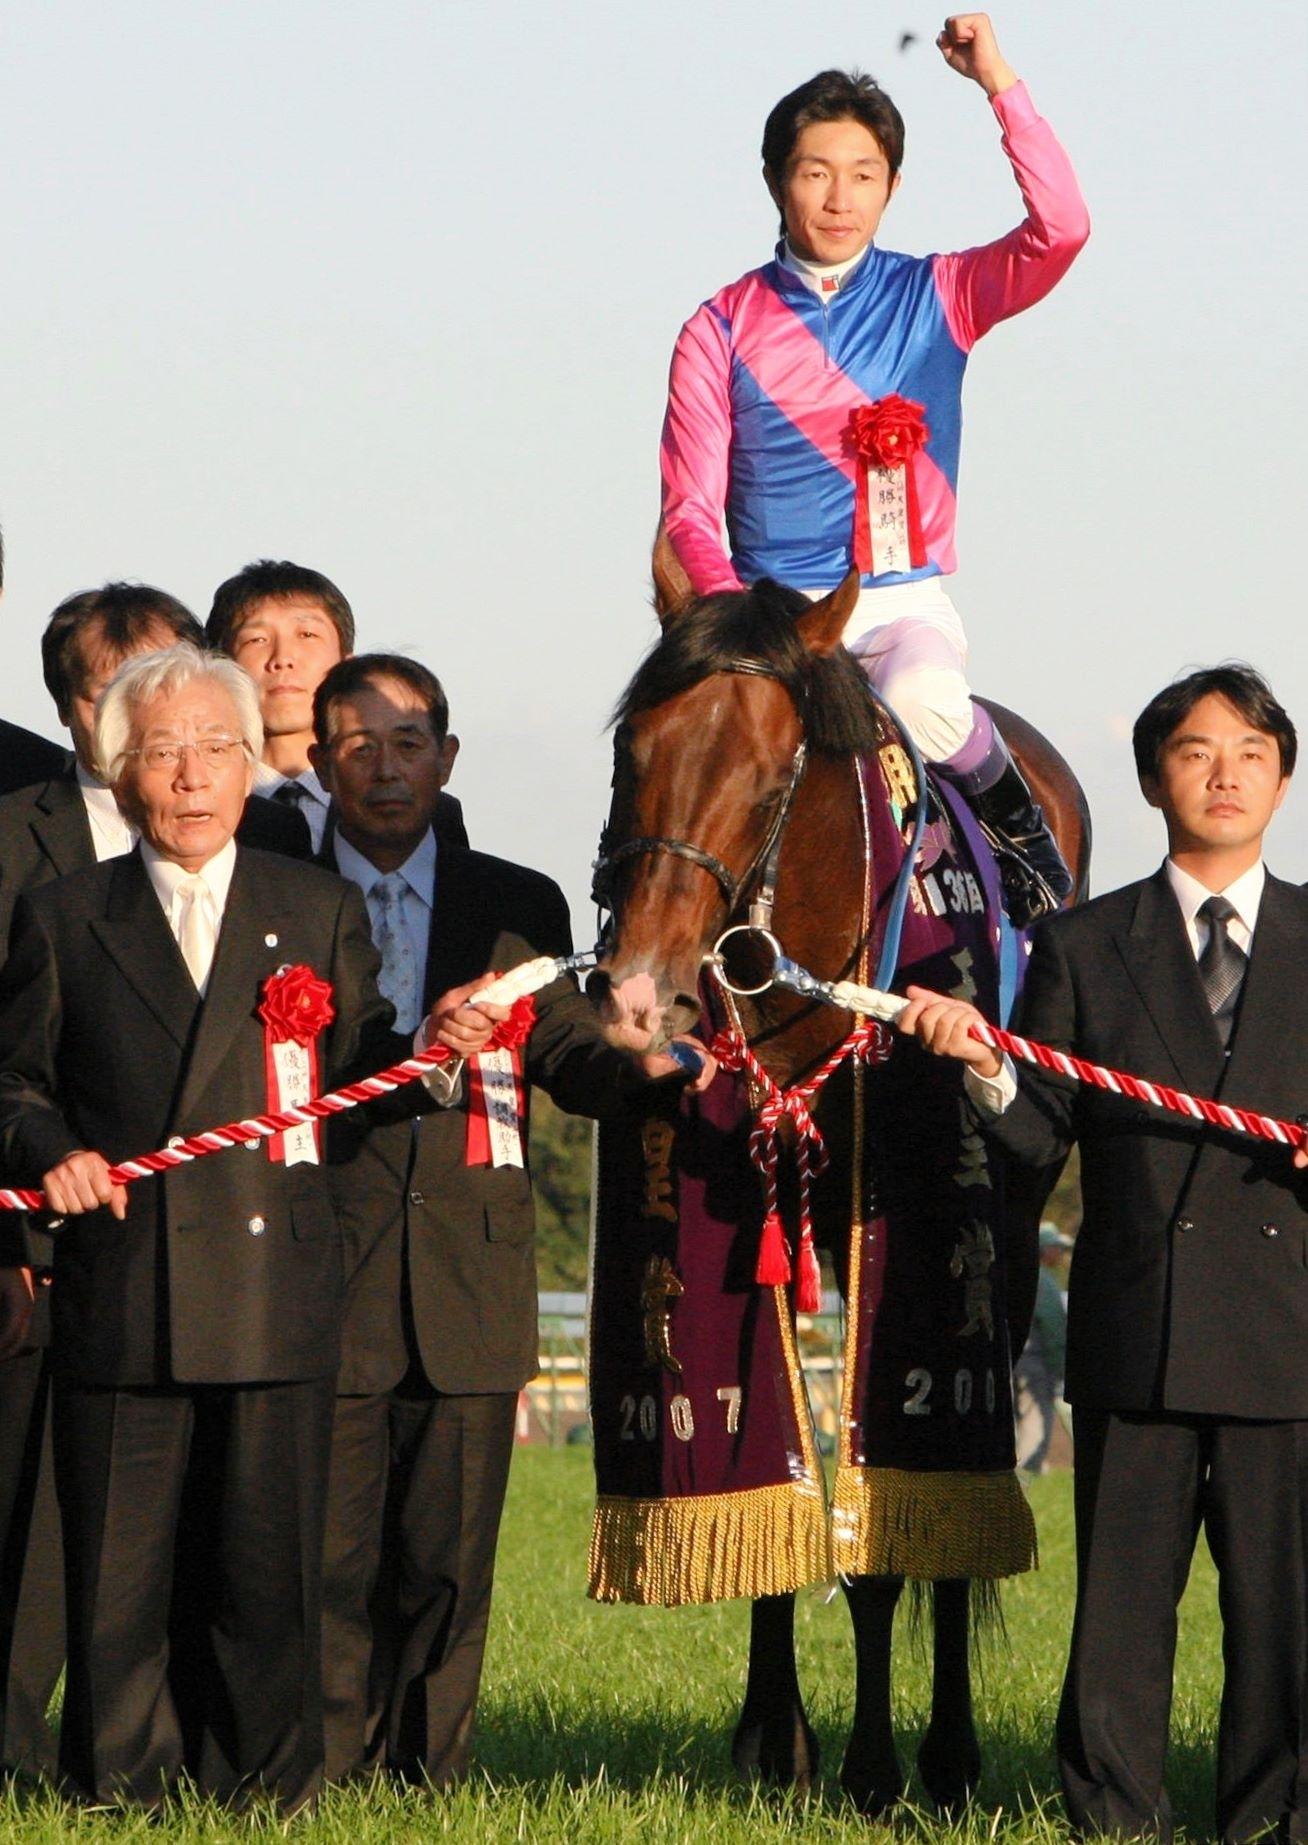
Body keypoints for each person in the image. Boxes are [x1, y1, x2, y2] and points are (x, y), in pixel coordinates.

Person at [0, 642, 416, 1810]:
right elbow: (13, 1083)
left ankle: (266, 1787)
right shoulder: (66, 917)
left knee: (267, 1567)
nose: (191, 775)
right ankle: (119, 1787)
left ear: (251, 769)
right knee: (120, 1579)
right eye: (165, 750)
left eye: (214, 748)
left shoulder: (315, 908)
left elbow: (364, 1065)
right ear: (125, 771)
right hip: (123, 1286)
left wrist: (440, 1052)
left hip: (272, 1287)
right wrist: (53, 1156)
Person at [897, 664, 1308, 1842]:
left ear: (1282, 777)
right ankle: (1114, 1817)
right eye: (1195, 750)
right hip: (1145, 1329)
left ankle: (1274, 1819)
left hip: (1288, 1328)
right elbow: (1039, 1131)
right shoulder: (1084, 944)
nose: (1223, 772)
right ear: (1149, 778)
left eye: (1249, 751)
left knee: (1281, 1616)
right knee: (1122, 1616)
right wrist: (981, 1064)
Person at [310, 652, 711, 1787]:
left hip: (471, 1274)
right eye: (357, 747)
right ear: (316, 761)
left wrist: (647, 1062)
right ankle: (324, 1777)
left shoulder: (518, 904)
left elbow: (572, 1058)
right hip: (321, 1263)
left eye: (406, 746)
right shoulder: (280, 886)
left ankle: (430, 1780)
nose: (384, 771)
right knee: (325, 1557)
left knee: (448, 1561)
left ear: (446, 756)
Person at [659, 13, 1089, 924]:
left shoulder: (943, 292)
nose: (838, 196)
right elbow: (690, 510)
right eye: (815, 172)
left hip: (896, 603)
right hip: (773, 618)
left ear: (893, 185)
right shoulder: (718, 326)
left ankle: (1028, 853)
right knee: (676, 751)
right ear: (776, 180)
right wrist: (736, 626)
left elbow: (1062, 230)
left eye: (863, 175)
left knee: (927, 700)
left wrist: (998, 82)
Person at [205, 558, 468, 853]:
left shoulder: (425, 811)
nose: (282, 658)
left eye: (307, 635)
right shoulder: (201, 810)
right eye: (257, 639)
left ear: (346, 664)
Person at [1012, 1221, 1068, 1473]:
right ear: (1046, 1249)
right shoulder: (1042, 1281)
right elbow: (1053, 1330)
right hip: (1033, 1364)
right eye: (1058, 1248)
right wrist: (1058, 1370)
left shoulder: (1020, 1273)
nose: (1061, 1253)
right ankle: (1023, 1480)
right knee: (1035, 1425)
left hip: (1015, 1361)